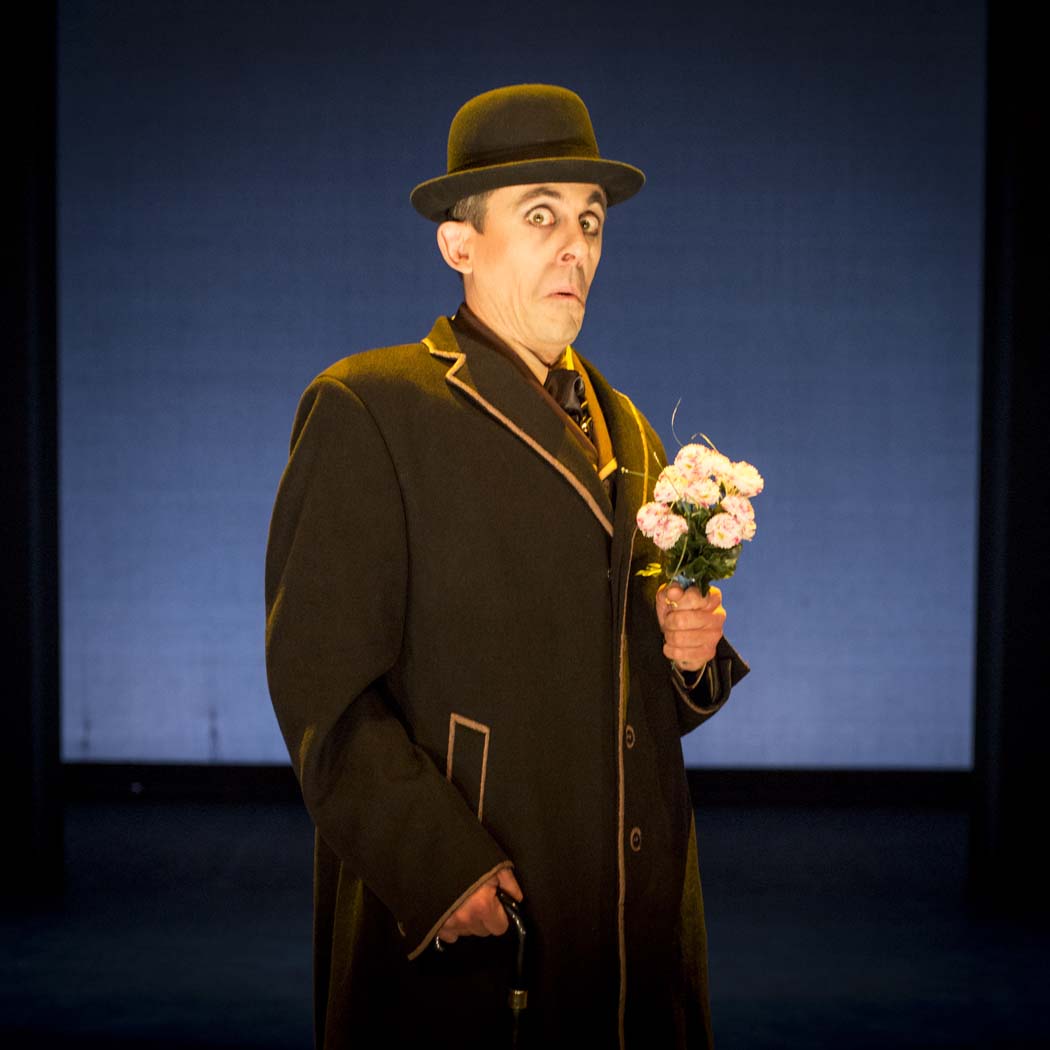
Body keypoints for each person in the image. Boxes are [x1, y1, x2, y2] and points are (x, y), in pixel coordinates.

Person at [265, 83, 748, 1049]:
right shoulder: (373, 408)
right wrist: (439, 870)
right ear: (459, 242)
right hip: (486, 906)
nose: (576, 247)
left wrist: (689, 657)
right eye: (540, 216)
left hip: (633, 907)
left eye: (590, 221)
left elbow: (634, 690)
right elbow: (321, 689)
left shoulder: (631, 430)